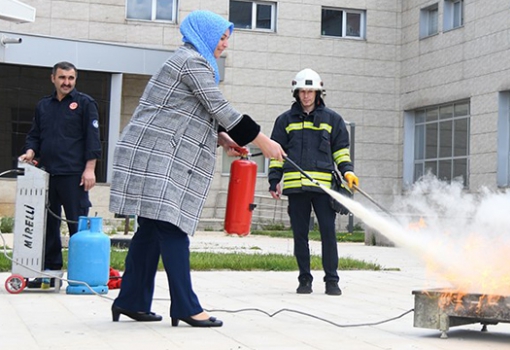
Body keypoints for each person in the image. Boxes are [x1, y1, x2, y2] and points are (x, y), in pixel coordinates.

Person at [108, 10, 285, 328]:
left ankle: (131, 300)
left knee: (150, 229)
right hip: (155, 155)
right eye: (221, 37)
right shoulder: (191, 61)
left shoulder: (189, 61)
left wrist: (223, 138)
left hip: (155, 153)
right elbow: (220, 107)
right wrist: (265, 143)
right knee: (172, 228)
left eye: (227, 38)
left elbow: (190, 111)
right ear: (204, 35)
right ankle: (186, 307)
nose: (225, 45)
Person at [268, 68, 359, 296]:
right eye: (302, 91)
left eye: (310, 91)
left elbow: (341, 152)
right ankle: (304, 280)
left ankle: (332, 281)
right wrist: (274, 180)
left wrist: (348, 172)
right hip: (296, 188)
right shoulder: (284, 121)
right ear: (296, 93)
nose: (306, 96)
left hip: (323, 188)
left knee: (328, 233)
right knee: (300, 236)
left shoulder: (333, 120)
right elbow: (275, 154)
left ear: (318, 93)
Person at [18, 61, 101, 288]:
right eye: (62, 78)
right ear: (53, 78)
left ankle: (81, 276)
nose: (67, 82)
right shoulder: (43, 106)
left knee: (78, 227)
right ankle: (51, 275)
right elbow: (35, 135)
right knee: (48, 228)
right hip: (47, 176)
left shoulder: (85, 104)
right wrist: (30, 151)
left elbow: (93, 139)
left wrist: (90, 168)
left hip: (75, 176)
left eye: (71, 78)